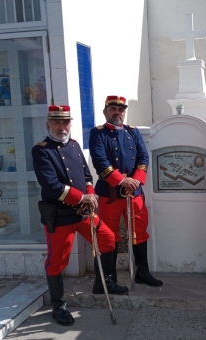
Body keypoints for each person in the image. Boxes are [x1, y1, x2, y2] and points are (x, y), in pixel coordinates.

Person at [32, 105, 128, 326]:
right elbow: (52, 185)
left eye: (65, 123)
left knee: (108, 239)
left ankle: (103, 282)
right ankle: (59, 305)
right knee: (58, 260)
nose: (62, 127)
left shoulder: (74, 145)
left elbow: (86, 175)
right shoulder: (42, 150)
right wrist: (81, 197)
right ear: (48, 125)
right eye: (57, 123)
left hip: (84, 212)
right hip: (60, 215)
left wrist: (91, 194)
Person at [89, 96, 163, 287]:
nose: (117, 113)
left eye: (121, 109)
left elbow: (143, 157)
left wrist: (136, 181)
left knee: (139, 232)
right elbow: (100, 161)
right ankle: (108, 278)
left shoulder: (133, 132)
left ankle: (142, 272)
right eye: (113, 109)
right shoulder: (98, 134)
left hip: (134, 193)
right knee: (109, 235)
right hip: (110, 194)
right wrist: (122, 181)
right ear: (105, 112)